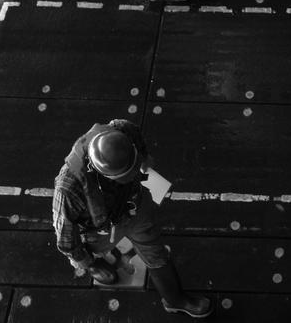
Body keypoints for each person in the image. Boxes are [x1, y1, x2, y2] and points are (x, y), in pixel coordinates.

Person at [52, 117, 212, 317]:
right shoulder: (69, 188)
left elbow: (134, 133)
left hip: (135, 208)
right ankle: (98, 261)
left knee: (156, 252)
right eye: (127, 174)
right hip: (100, 229)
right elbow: (66, 237)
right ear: (104, 175)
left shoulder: (121, 130)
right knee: (101, 265)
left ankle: (176, 300)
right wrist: (86, 261)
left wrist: (144, 157)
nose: (136, 171)